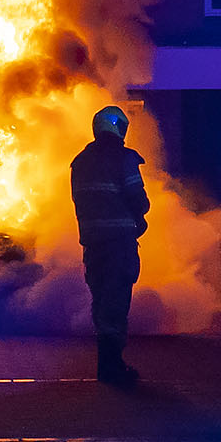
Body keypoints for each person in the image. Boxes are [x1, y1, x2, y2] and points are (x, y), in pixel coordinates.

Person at [70, 104, 151, 385]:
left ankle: (107, 365)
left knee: (101, 302)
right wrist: (138, 218)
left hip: (93, 246)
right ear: (119, 128)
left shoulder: (79, 163)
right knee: (115, 305)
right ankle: (111, 367)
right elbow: (139, 201)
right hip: (118, 246)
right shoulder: (123, 159)